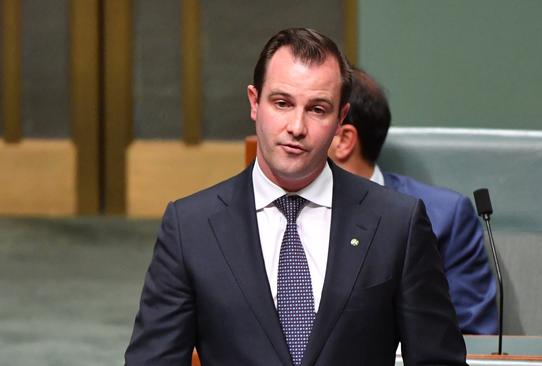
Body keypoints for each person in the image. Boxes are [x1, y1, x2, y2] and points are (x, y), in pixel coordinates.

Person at [125, 28, 466, 366]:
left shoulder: (397, 223)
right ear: (254, 102)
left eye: (317, 109)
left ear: (340, 120)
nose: (297, 126)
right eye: (282, 103)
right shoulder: (190, 228)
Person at [328, 67, 497, 335]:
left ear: (343, 140)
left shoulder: (443, 218)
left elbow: (472, 335)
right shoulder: (280, 209)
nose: (296, 128)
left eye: (316, 111)